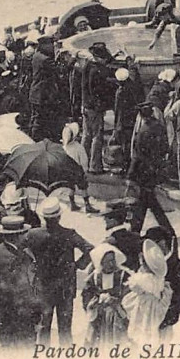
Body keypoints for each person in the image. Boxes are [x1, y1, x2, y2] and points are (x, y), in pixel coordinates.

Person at [22, 196, 93, 346]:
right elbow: (90, 249)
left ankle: (43, 356)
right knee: (65, 328)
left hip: (43, 287)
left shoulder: (32, 234)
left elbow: (20, 249)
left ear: (43, 216)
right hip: (65, 288)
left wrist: (32, 262)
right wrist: (77, 265)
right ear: (59, 216)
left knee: (43, 327)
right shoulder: (69, 234)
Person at [0, 214, 41, 348]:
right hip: (21, 316)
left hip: (0, 314)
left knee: (7, 347)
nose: (26, 236)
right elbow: (27, 291)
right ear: (18, 236)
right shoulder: (21, 258)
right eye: (24, 234)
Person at [126, 103, 172, 229]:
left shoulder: (142, 132)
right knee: (148, 201)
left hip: (143, 172)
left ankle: (136, 229)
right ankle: (165, 229)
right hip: (155, 169)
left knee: (146, 201)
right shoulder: (159, 126)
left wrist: (130, 175)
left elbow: (137, 156)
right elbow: (165, 147)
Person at [122, 238, 172, 345]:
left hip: (143, 307)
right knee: (151, 330)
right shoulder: (158, 279)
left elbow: (133, 284)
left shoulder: (143, 279)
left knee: (140, 328)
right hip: (154, 307)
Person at [81, 245, 130, 347]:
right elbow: (86, 296)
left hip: (117, 315)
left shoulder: (123, 275)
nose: (111, 264)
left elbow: (129, 296)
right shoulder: (94, 277)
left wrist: (117, 302)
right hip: (99, 316)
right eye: (108, 261)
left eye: (113, 260)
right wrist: (93, 304)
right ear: (101, 262)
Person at [143, 226, 180, 333]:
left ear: (162, 243)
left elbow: (178, 299)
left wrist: (165, 320)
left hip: (163, 321)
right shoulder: (153, 261)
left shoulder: (176, 267)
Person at [81, 42, 116, 175]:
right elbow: (97, 90)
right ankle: (95, 166)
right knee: (97, 136)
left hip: (85, 105)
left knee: (86, 135)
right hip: (94, 108)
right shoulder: (96, 71)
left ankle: (83, 162)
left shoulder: (87, 65)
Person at [61, 123, 96, 214]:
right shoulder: (78, 147)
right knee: (83, 187)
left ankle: (72, 204)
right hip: (78, 170)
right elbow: (84, 160)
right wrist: (85, 170)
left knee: (71, 187)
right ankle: (87, 205)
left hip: (68, 170)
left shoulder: (64, 147)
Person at [103, 199, 143, 272]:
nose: (104, 219)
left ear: (114, 220)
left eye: (108, 217)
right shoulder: (135, 236)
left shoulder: (111, 241)